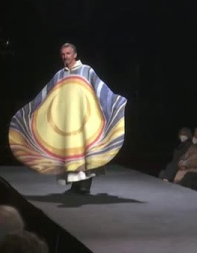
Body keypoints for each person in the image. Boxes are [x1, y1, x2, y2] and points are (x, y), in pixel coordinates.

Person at [9, 43, 127, 194]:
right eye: (63, 54)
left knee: (85, 151)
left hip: (85, 120)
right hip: (66, 123)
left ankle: (85, 185)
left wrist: (115, 100)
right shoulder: (60, 75)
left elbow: (100, 89)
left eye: (68, 53)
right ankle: (74, 184)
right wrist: (30, 110)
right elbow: (46, 95)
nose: (65, 56)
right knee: (68, 152)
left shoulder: (86, 71)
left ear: (75, 54)